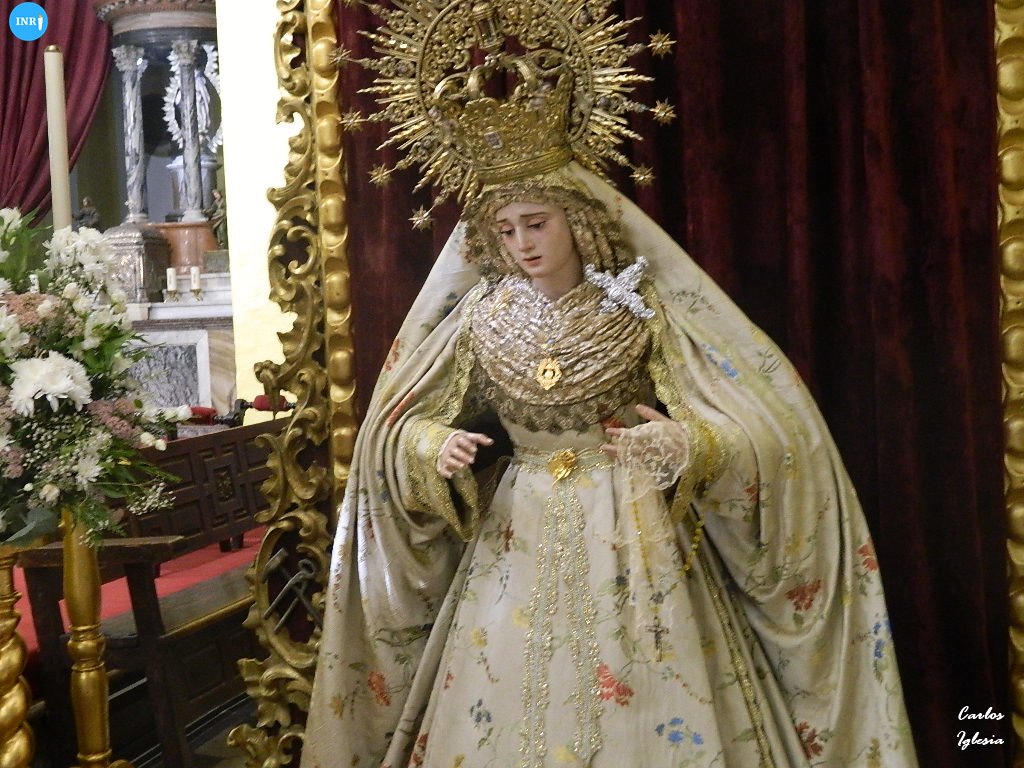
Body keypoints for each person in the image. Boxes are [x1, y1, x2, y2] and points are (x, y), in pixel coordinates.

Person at [301, 4, 918, 767]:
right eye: (507, 230)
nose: (523, 244)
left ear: (575, 218)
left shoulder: (641, 307)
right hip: (515, 532)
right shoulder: (480, 318)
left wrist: (689, 443)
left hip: (633, 531)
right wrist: (432, 446)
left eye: (537, 223)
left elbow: (765, 421)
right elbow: (396, 427)